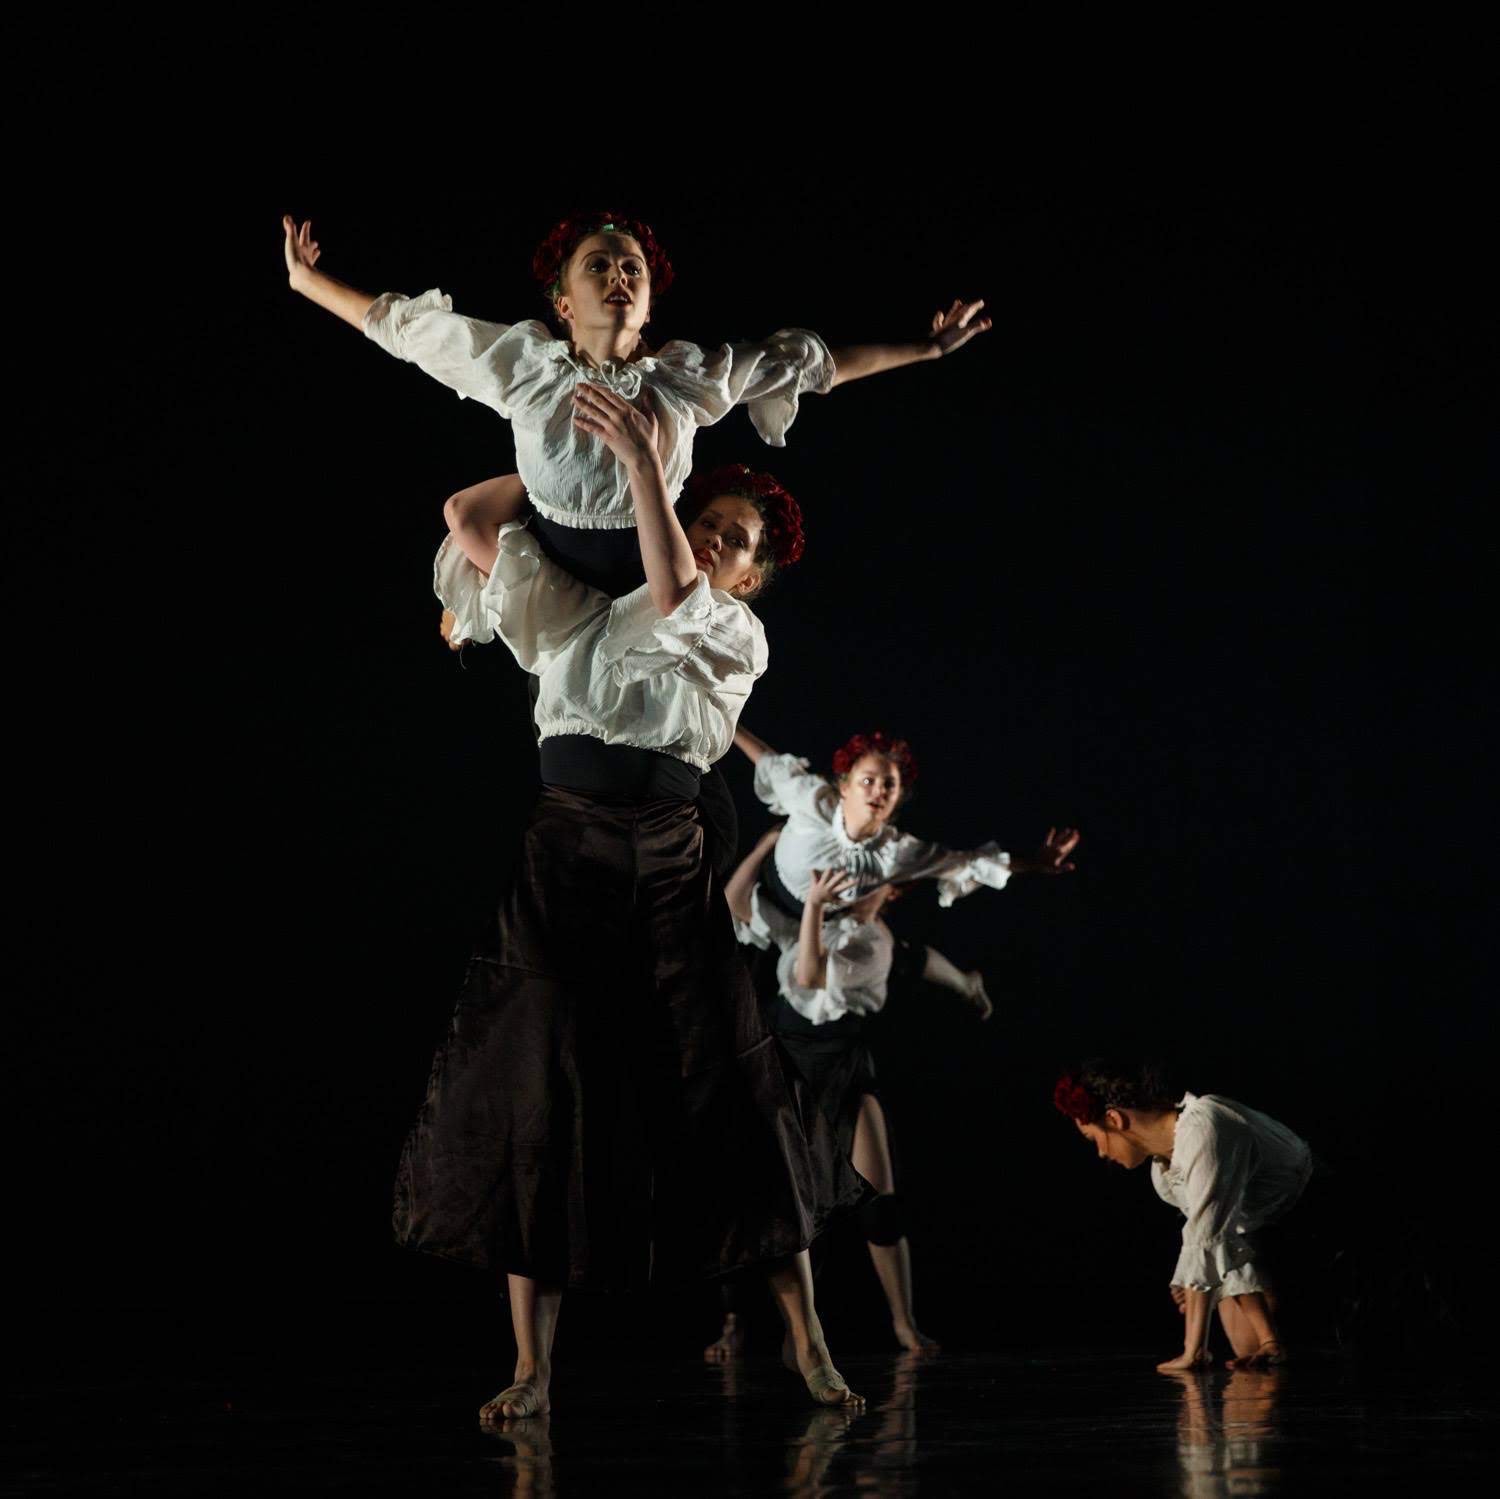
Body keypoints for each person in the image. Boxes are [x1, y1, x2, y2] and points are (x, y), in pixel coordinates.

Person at [396, 379, 867, 1418]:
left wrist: (646, 463)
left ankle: (810, 1343)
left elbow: (673, 591)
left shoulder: (734, 632)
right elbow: (469, 516)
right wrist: (561, 466)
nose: (716, 537)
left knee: (732, 1090)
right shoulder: (575, 607)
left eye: (736, 538)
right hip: (565, 850)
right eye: (711, 519)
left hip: (668, 853)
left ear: (751, 575)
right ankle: (532, 1367)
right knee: (538, 1087)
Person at [281, 208, 991, 596]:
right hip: (553, 577)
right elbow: (410, 332)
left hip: (653, 578)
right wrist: (309, 283)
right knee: (467, 518)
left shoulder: (685, 379)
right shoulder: (525, 365)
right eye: (597, 266)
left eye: (632, 268)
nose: (617, 275)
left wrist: (927, 350)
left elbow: (807, 367)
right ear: (564, 303)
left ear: (648, 304)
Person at [712, 829, 992, 1356]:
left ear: (890, 891)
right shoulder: (813, 924)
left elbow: (829, 973)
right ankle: (736, 1322)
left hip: (844, 1069)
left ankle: (903, 1323)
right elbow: (734, 903)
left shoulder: (876, 945)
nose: (856, 892)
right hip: (786, 1068)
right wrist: (766, 844)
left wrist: (967, 986)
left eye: (873, 887)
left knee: (878, 1204)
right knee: (762, 1203)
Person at [1054, 1059, 1313, 1371]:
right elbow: (1217, 1239)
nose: (1100, 1152)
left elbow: (1207, 1235)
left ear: (1114, 1119)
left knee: (1263, 1343)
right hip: (1253, 1231)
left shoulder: (1206, 1125)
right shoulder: (1162, 1173)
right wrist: (1196, 1286)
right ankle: (1268, 1341)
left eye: (1094, 1138)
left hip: (1308, 1213)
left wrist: (1193, 1350)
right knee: (1251, 1351)